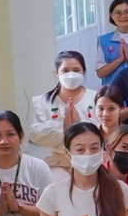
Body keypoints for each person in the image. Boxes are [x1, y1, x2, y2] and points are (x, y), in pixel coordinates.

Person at [30, 49, 98, 179]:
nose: (71, 75)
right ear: (56, 73)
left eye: (76, 70)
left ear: (84, 71)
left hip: (91, 160)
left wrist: (79, 126)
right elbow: (35, 135)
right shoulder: (43, 101)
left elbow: (104, 129)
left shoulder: (96, 98)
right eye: (65, 70)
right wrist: (63, 127)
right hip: (58, 162)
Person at [94, 0, 128, 86]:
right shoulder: (104, 41)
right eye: (118, 13)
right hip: (112, 92)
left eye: (127, 12)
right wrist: (119, 59)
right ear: (112, 15)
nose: (123, 16)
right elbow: (100, 73)